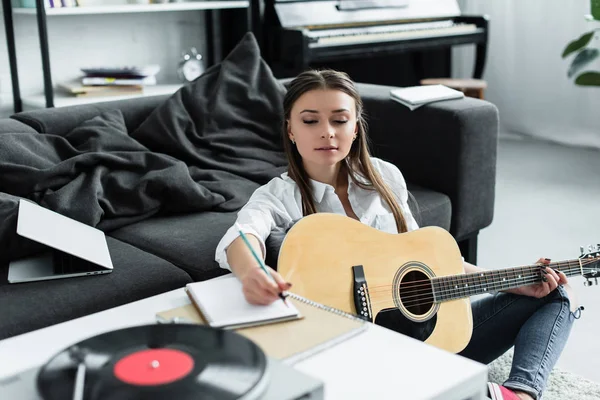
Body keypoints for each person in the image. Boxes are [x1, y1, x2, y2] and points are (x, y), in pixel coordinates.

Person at [215, 69, 580, 400]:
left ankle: (519, 393)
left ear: (355, 127)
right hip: (363, 363)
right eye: (311, 121)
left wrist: (510, 283)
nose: (327, 131)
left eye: (340, 120)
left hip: (431, 339)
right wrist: (253, 272)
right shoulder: (279, 196)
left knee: (554, 293)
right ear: (291, 130)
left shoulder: (385, 178)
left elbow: (430, 261)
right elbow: (241, 237)